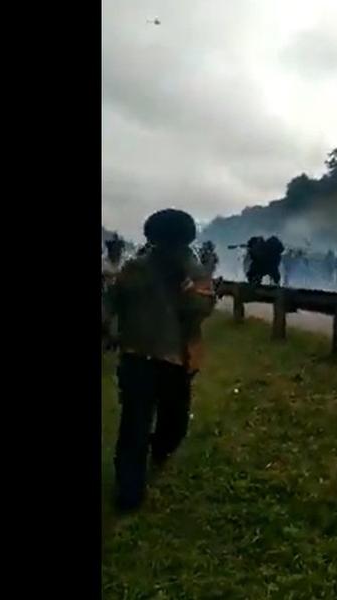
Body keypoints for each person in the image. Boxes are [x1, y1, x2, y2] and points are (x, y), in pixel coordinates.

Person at [105, 209, 217, 512]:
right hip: (151, 356)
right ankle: (130, 490)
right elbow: (112, 300)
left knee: (161, 423)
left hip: (166, 357)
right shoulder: (140, 268)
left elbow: (203, 307)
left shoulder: (188, 272)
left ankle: (148, 462)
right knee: (142, 424)